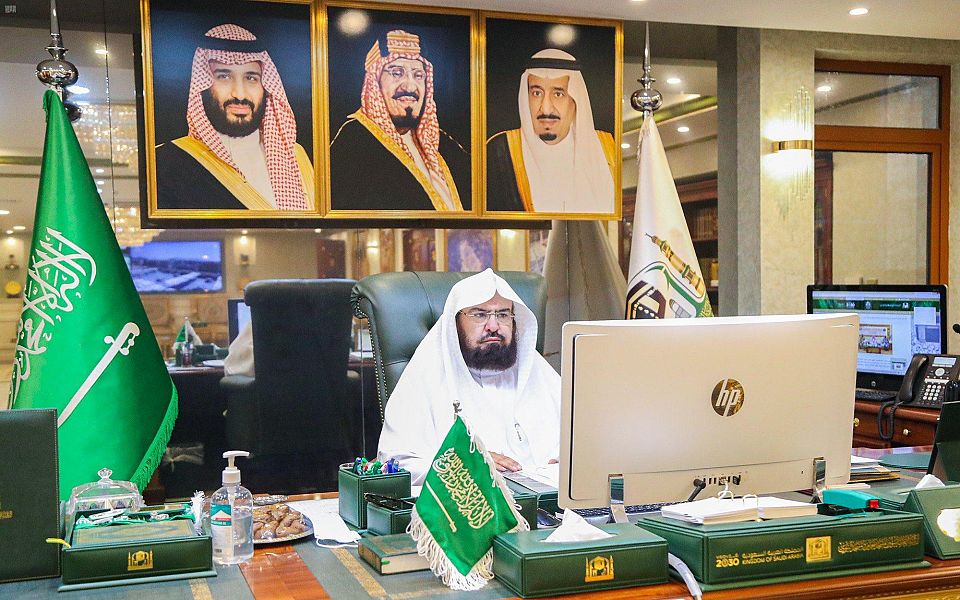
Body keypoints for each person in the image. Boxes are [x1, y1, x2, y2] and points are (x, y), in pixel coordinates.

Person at [377, 269, 560, 484]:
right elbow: (396, 464)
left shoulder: (537, 371)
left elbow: (582, 443)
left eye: (502, 314)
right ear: (455, 324)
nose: (493, 326)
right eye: (479, 314)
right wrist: (467, 465)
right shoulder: (425, 376)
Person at [155, 23, 315, 211]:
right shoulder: (167, 162)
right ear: (204, 84)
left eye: (251, 78)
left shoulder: (297, 156)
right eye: (224, 76)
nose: (239, 94)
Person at [330, 29, 470, 212]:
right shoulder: (354, 143)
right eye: (397, 73)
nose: (410, 85)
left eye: (418, 75)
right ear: (375, 82)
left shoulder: (443, 144)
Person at [486, 49, 617, 213]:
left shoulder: (608, 149)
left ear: (575, 100)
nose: (545, 107)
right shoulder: (499, 152)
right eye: (536, 93)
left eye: (558, 93)